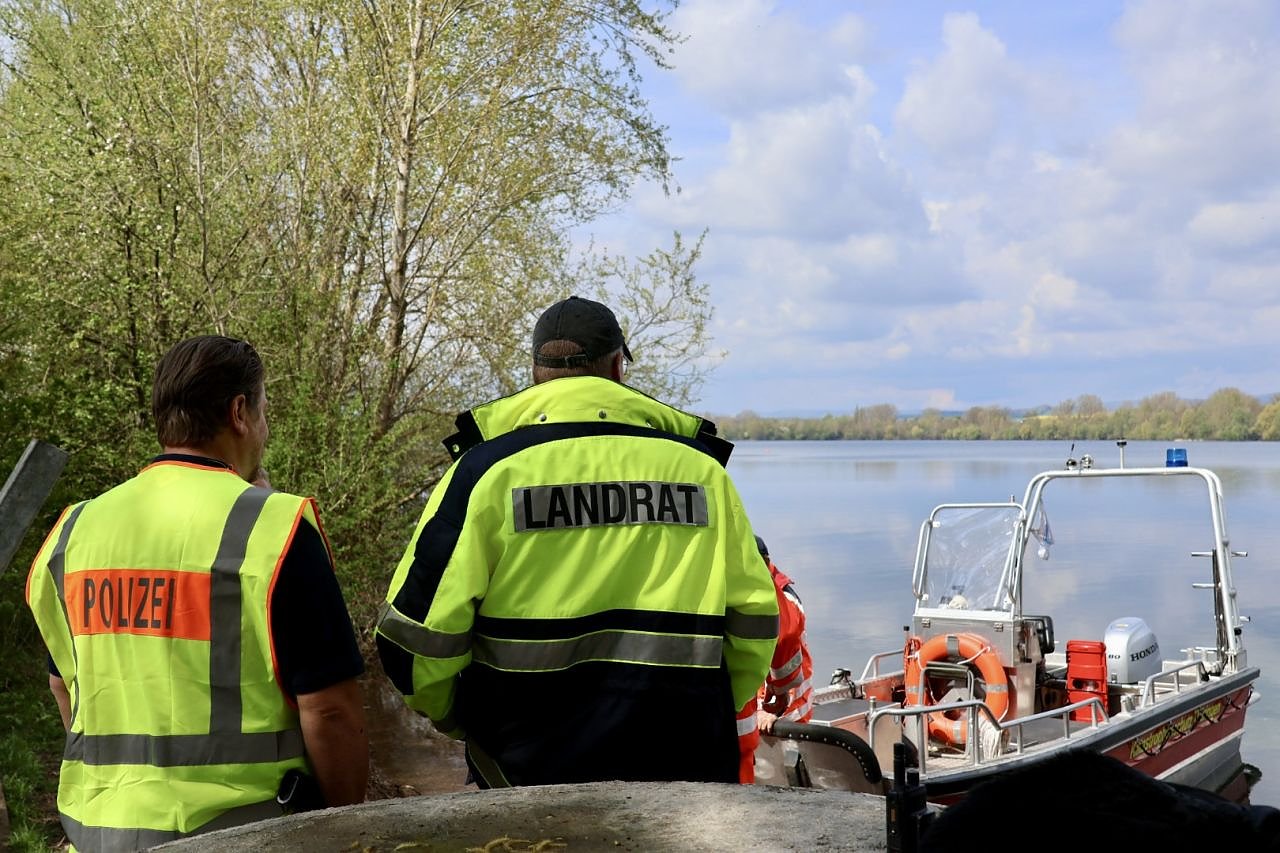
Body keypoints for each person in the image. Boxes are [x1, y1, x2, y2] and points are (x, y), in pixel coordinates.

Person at [375, 295, 778, 787]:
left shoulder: (485, 474)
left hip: (522, 772)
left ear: (535, 373)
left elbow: (413, 640)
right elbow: (755, 622)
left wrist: (461, 719)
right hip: (681, 767)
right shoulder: (702, 473)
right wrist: (707, 707)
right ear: (618, 367)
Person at [25, 335, 368, 851]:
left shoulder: (73, 531)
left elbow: (63, 686)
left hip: (96, 836)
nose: (266, 430)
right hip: (250, 837)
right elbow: (329, 710)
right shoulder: (276, 529)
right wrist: (347, 829)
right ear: (239, 412)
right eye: (264, 411)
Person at [754, 535, 814, 733]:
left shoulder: (784, 603)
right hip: (767, 712)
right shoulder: (759, 592)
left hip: (787, 718)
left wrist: (769, 710)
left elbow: (788, 660)